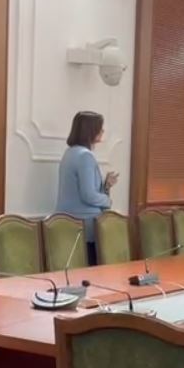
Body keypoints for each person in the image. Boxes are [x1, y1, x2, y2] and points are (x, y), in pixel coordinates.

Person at [56, 111, 118, 265]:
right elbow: (88, 195)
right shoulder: (85, 156)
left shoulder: (70, 153)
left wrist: (106, 186)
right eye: (100, 127)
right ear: (90, 130)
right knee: (91, 271)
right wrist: (108, 201)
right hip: (85, 227)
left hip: (69, 225)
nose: (102, 131)